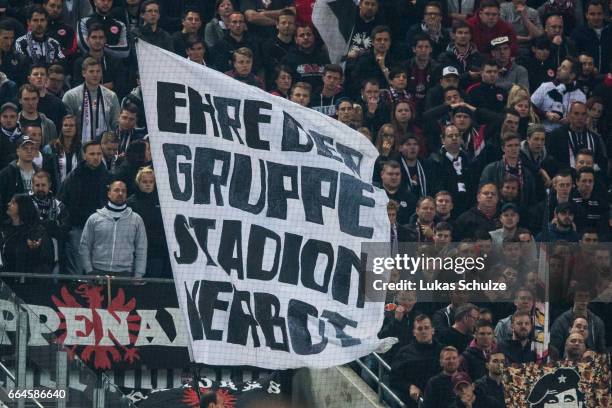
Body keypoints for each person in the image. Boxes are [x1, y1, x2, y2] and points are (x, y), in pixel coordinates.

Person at [57, 140, 111, 275]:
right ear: (84, 155)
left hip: (102, 230)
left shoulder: (108, 177)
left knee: (99, 267)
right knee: (77, 269)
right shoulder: (73, 178)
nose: (96, 157)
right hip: (78, 228)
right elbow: (61, 203)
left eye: (99, 153)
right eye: (92, 154)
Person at [80, 179, 147, 277]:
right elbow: (84, 246)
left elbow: (141, 248)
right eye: (116, 190)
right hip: (98, 272)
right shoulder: (95, 218)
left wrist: (138, 274)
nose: (120, 193)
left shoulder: (136, 219)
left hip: (125, 274)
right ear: (109, 193)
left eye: (123, 191)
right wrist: (89, 270)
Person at [391, 314, 443, 407]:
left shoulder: (443, 351)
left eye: (426, 328)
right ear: (414, 332)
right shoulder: (404, 353)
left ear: (433, 330)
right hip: (413, 401)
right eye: (419, 329)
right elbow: (394, 379)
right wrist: (409, 386)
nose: (423, 331)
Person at [62, 58, 120, 142]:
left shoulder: (111, 96)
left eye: (98, 71)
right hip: (78, 145)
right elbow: (66, 125)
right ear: (83, 73)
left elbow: (116, 124)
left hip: (104, 147)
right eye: (91, 71)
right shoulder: (71, 96)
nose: (95, 75)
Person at [0, 193, 54, 274]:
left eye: (13, 203)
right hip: (6, 277)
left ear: (22, 207)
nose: (8, 204)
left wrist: (34, 250)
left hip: (28, 280)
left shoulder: (37, 231)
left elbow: (46, 261)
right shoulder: (4, 228)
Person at [480, 132, 536, 207]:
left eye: (516, 145)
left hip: (520, 212)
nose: (514, 148)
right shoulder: (491, 169)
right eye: (509, 146)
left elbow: (531, 199)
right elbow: (483, 192)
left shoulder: (527, 173)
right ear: (503, 148)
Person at [531, 57, 586, 133]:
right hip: (545, 132)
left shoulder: (580, 95)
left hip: (567, 134)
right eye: (560, 66)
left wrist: (570, 120)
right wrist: (546, 114)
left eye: (564, 68)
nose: (558, 69)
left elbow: (583, 117)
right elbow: (530, 106)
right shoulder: (546, 86)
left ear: (572, 75)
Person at [548, 101, 606, 172]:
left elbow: (602, 162)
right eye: (576, 113)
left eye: (583, 114)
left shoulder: (594, 138)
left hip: (589, 179)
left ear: (587, 116)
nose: (580, 117)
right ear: (569, 115)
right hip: (565, 178)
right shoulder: (556, 135)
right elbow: (551, 161)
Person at [30, 170, 69, 272]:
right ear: (32, 185)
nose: (40, 188)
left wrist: (48, 226)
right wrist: (50, 225)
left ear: (49, 185)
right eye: (37, 185)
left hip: (54, 257)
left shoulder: (59, 206)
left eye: (43, 185)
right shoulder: (25, 203)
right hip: (29, 257)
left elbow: (65, 230)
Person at [549, 285, 606, 356]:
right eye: (580, 296)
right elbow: (554, 349)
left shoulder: (597, 322)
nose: (583, 300)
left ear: (590, 299)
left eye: (586, 296)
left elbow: (601, 349)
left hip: (590, 363)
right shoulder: (560, 322)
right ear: (573, 297)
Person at [0, 136, 39, 220]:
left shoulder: (40, 173)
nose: (29, 151)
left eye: (32, 148)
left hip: (35, 220)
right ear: (18, 151)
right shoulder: (6, 174)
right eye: (25, 148)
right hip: (12, 221)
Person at [282, 24, 330, 91]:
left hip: (320, 97)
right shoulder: (289, 59)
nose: (306, 37)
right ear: (296, 39)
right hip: (299, 97)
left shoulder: (324, 57)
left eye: (309, 34)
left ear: (313, 37)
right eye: (302, 35)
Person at [571, 0, 610, 73]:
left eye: (599, 14)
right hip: (586, 77)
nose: (596, 17)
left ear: (604, 14)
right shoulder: (578, 33)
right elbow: (574, 57)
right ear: (586, 15)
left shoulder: (610, 30)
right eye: (592, 14)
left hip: (608, 77)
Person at [27, 64, 67, 132]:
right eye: (36, 74)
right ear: (29, 79)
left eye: (42, 74)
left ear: (46, 78)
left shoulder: (58, 104)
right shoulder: (22, 101)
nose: (39, 77)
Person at [43, 115, 82, 183]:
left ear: (76, 128)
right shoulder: (50, 148)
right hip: (56, 189)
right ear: (61, 128)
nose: (68, 128)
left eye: (71, 125)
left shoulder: (82, 148)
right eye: (65, 125)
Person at [378, 160, 417, 225]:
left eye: (397, 174)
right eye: (390, 174)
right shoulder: (374, 194)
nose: (394, 177)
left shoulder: (410, 198)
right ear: (382, 174)